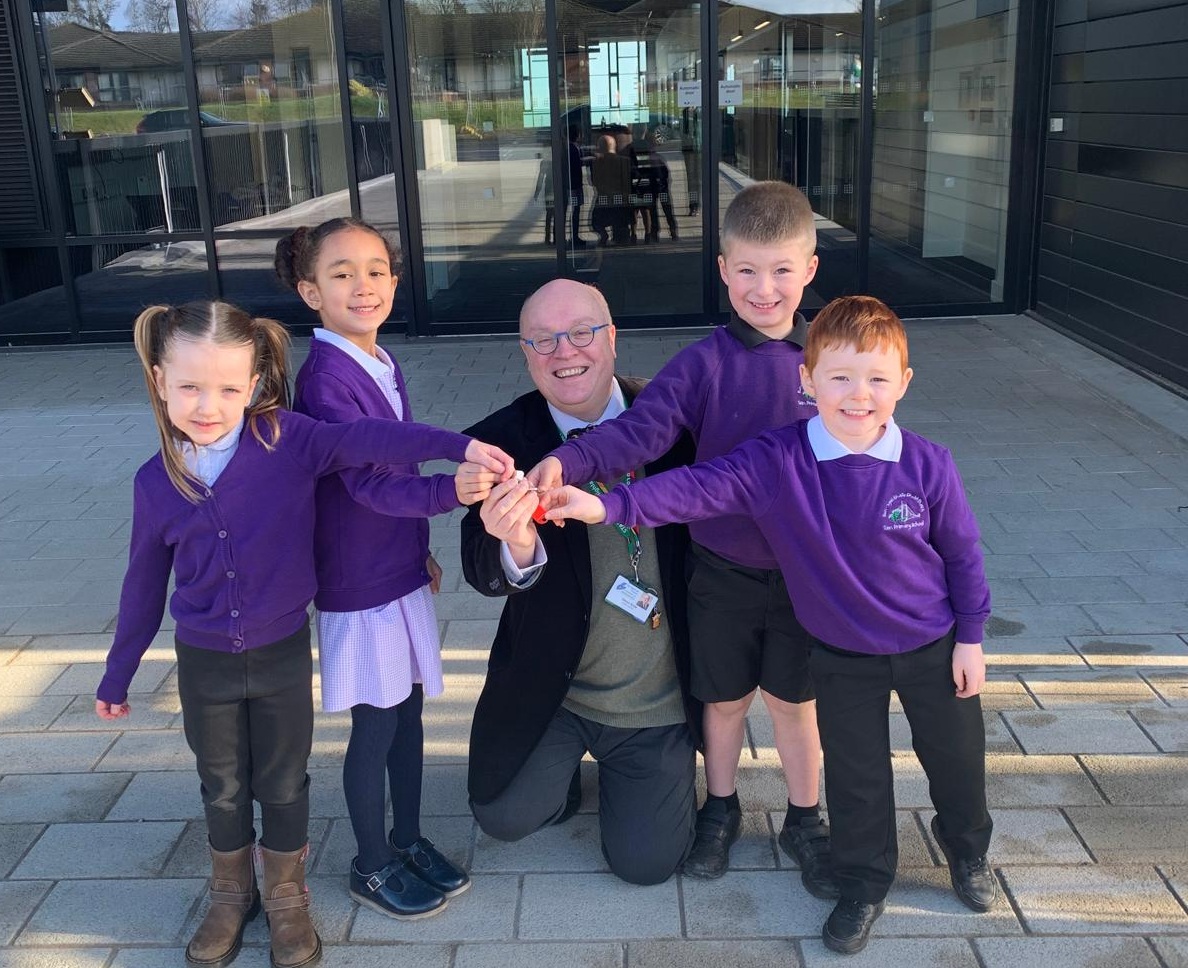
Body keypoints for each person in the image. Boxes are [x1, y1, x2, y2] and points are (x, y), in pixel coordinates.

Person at [543, 295, 998, 955]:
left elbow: (963, 555)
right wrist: (607, 506)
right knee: (857, 777)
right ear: (807, 382)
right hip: (844, 657)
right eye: (839, 377)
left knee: (957, 762)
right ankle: (864, 883)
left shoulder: (928, 463)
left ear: (903, 382)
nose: (858, 395)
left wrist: (974, 638)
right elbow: (694, 487)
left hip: (934, 647)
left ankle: (967, 853)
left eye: (877, 378)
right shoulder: (777, 460)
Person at [95, 300, 511, 968]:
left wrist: (454, 446)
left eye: (229, 388)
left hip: (281, 653)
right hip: (204, 663)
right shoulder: (156, 482)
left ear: (256, 384)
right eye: (190, 387)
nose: (209, 405)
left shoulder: (287, 440)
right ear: (158, 379)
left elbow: (374, 438)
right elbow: (143, 584)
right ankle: (232, 895)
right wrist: (116, 674)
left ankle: (287, 897)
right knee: (223, 784)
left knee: (284, 783)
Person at [529, 181, 832, 891]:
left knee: (795, 704)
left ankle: (806, 817)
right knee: (722, 700)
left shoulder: (829, 358)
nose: (765, 289)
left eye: (783, 270)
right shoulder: (704, 364)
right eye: (748, 271)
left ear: (810, 270)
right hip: (721, 568)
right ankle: (719, 807)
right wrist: (566, 458)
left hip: (804, 577)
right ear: (723, 270)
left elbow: (878, 450)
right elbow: (639, 431)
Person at [276, 219, 494, 923]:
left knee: (410, 715)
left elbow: (394, 462)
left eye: (375, 270)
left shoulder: (379, 361)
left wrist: (418, 549)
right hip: (358, 586)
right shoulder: (324, 381)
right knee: (376, 726)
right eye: (341, 274)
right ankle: (371, 863)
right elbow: (368, 483)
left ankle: (406, 837)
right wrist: (446, 493)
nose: (362, 285)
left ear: (396, 282)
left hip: (394, 570)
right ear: (310, 291)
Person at [460, 278, 702, 886]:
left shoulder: (675, 422)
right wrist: (514, 543)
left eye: (581, 333)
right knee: (503, 817)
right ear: (524, 352)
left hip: (657, 702)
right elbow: (479, 569)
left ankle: (647, 773)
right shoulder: (501, 442)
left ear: (613, 338)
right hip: (558, 694)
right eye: (543, 340)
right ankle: (562, 775)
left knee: (646, 865)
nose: (564, 352)